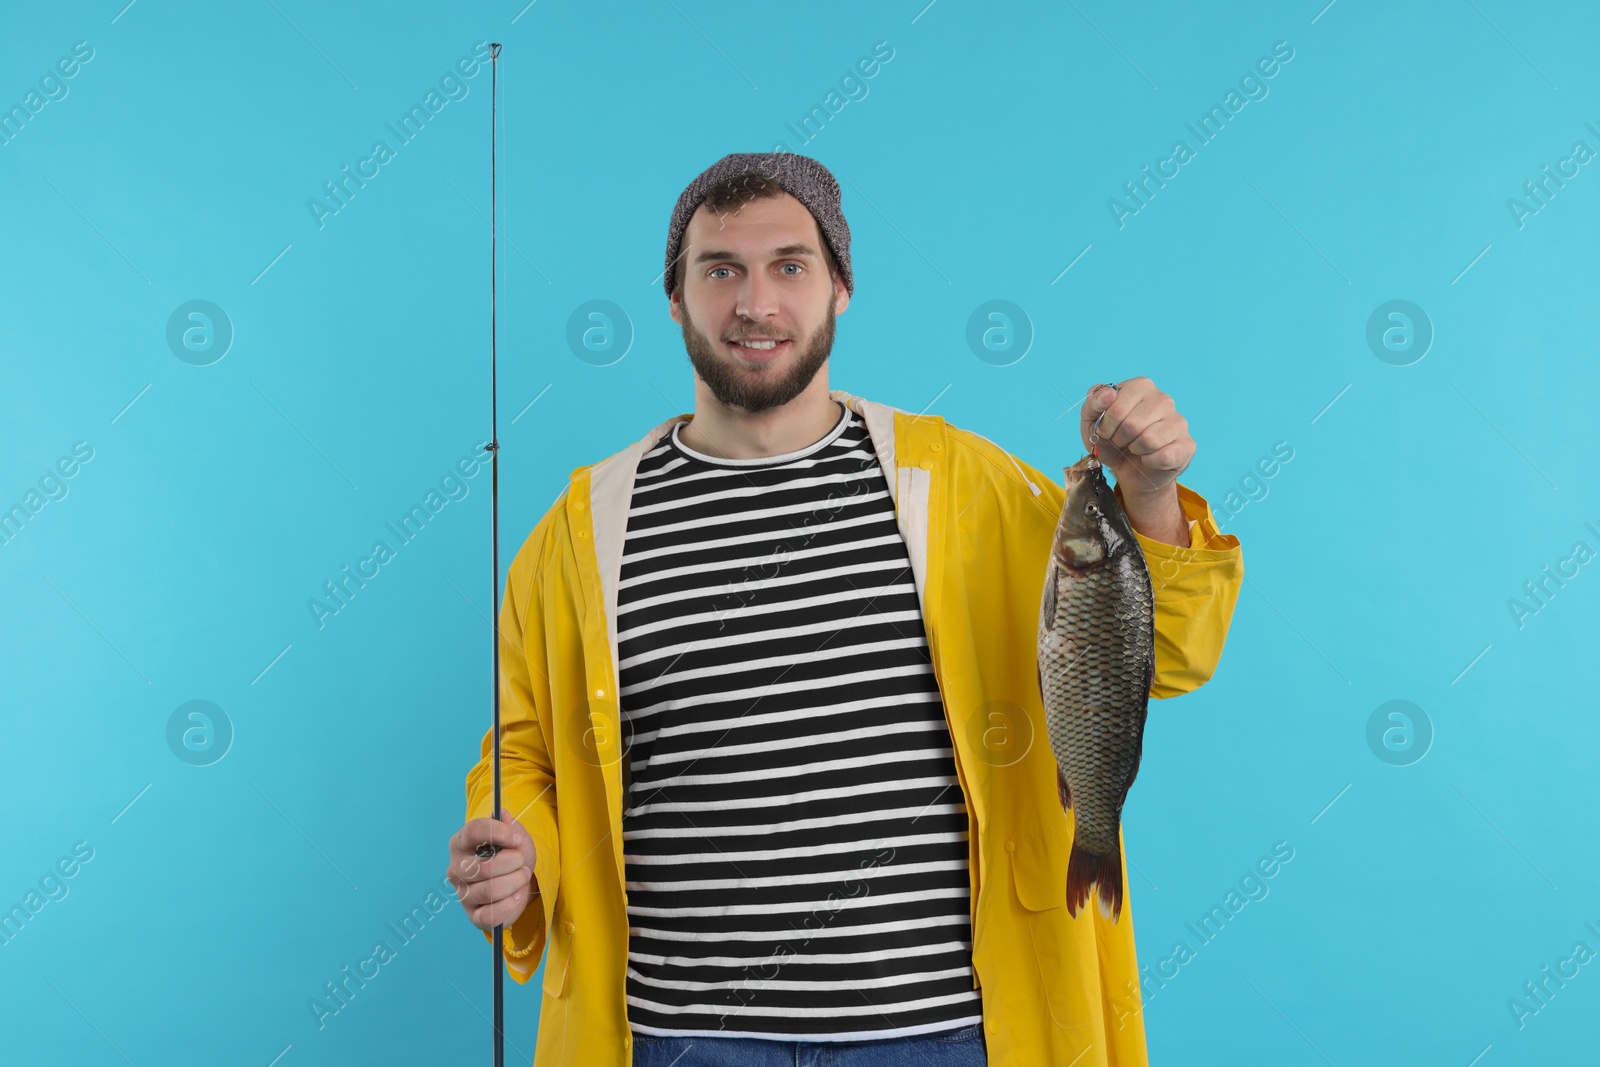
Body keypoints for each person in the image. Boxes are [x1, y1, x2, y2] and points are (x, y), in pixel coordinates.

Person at [446, 152, 1243, 1067]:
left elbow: (1160, 656)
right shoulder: (579, 530)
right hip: (675, 1037)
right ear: (674, 297)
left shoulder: (963, 485)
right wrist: (518, 853)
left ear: (841, 290)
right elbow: (523, 753)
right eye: (720, 270)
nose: (756, 303)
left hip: (940, 1034)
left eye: (790, 266)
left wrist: (1150, 496)